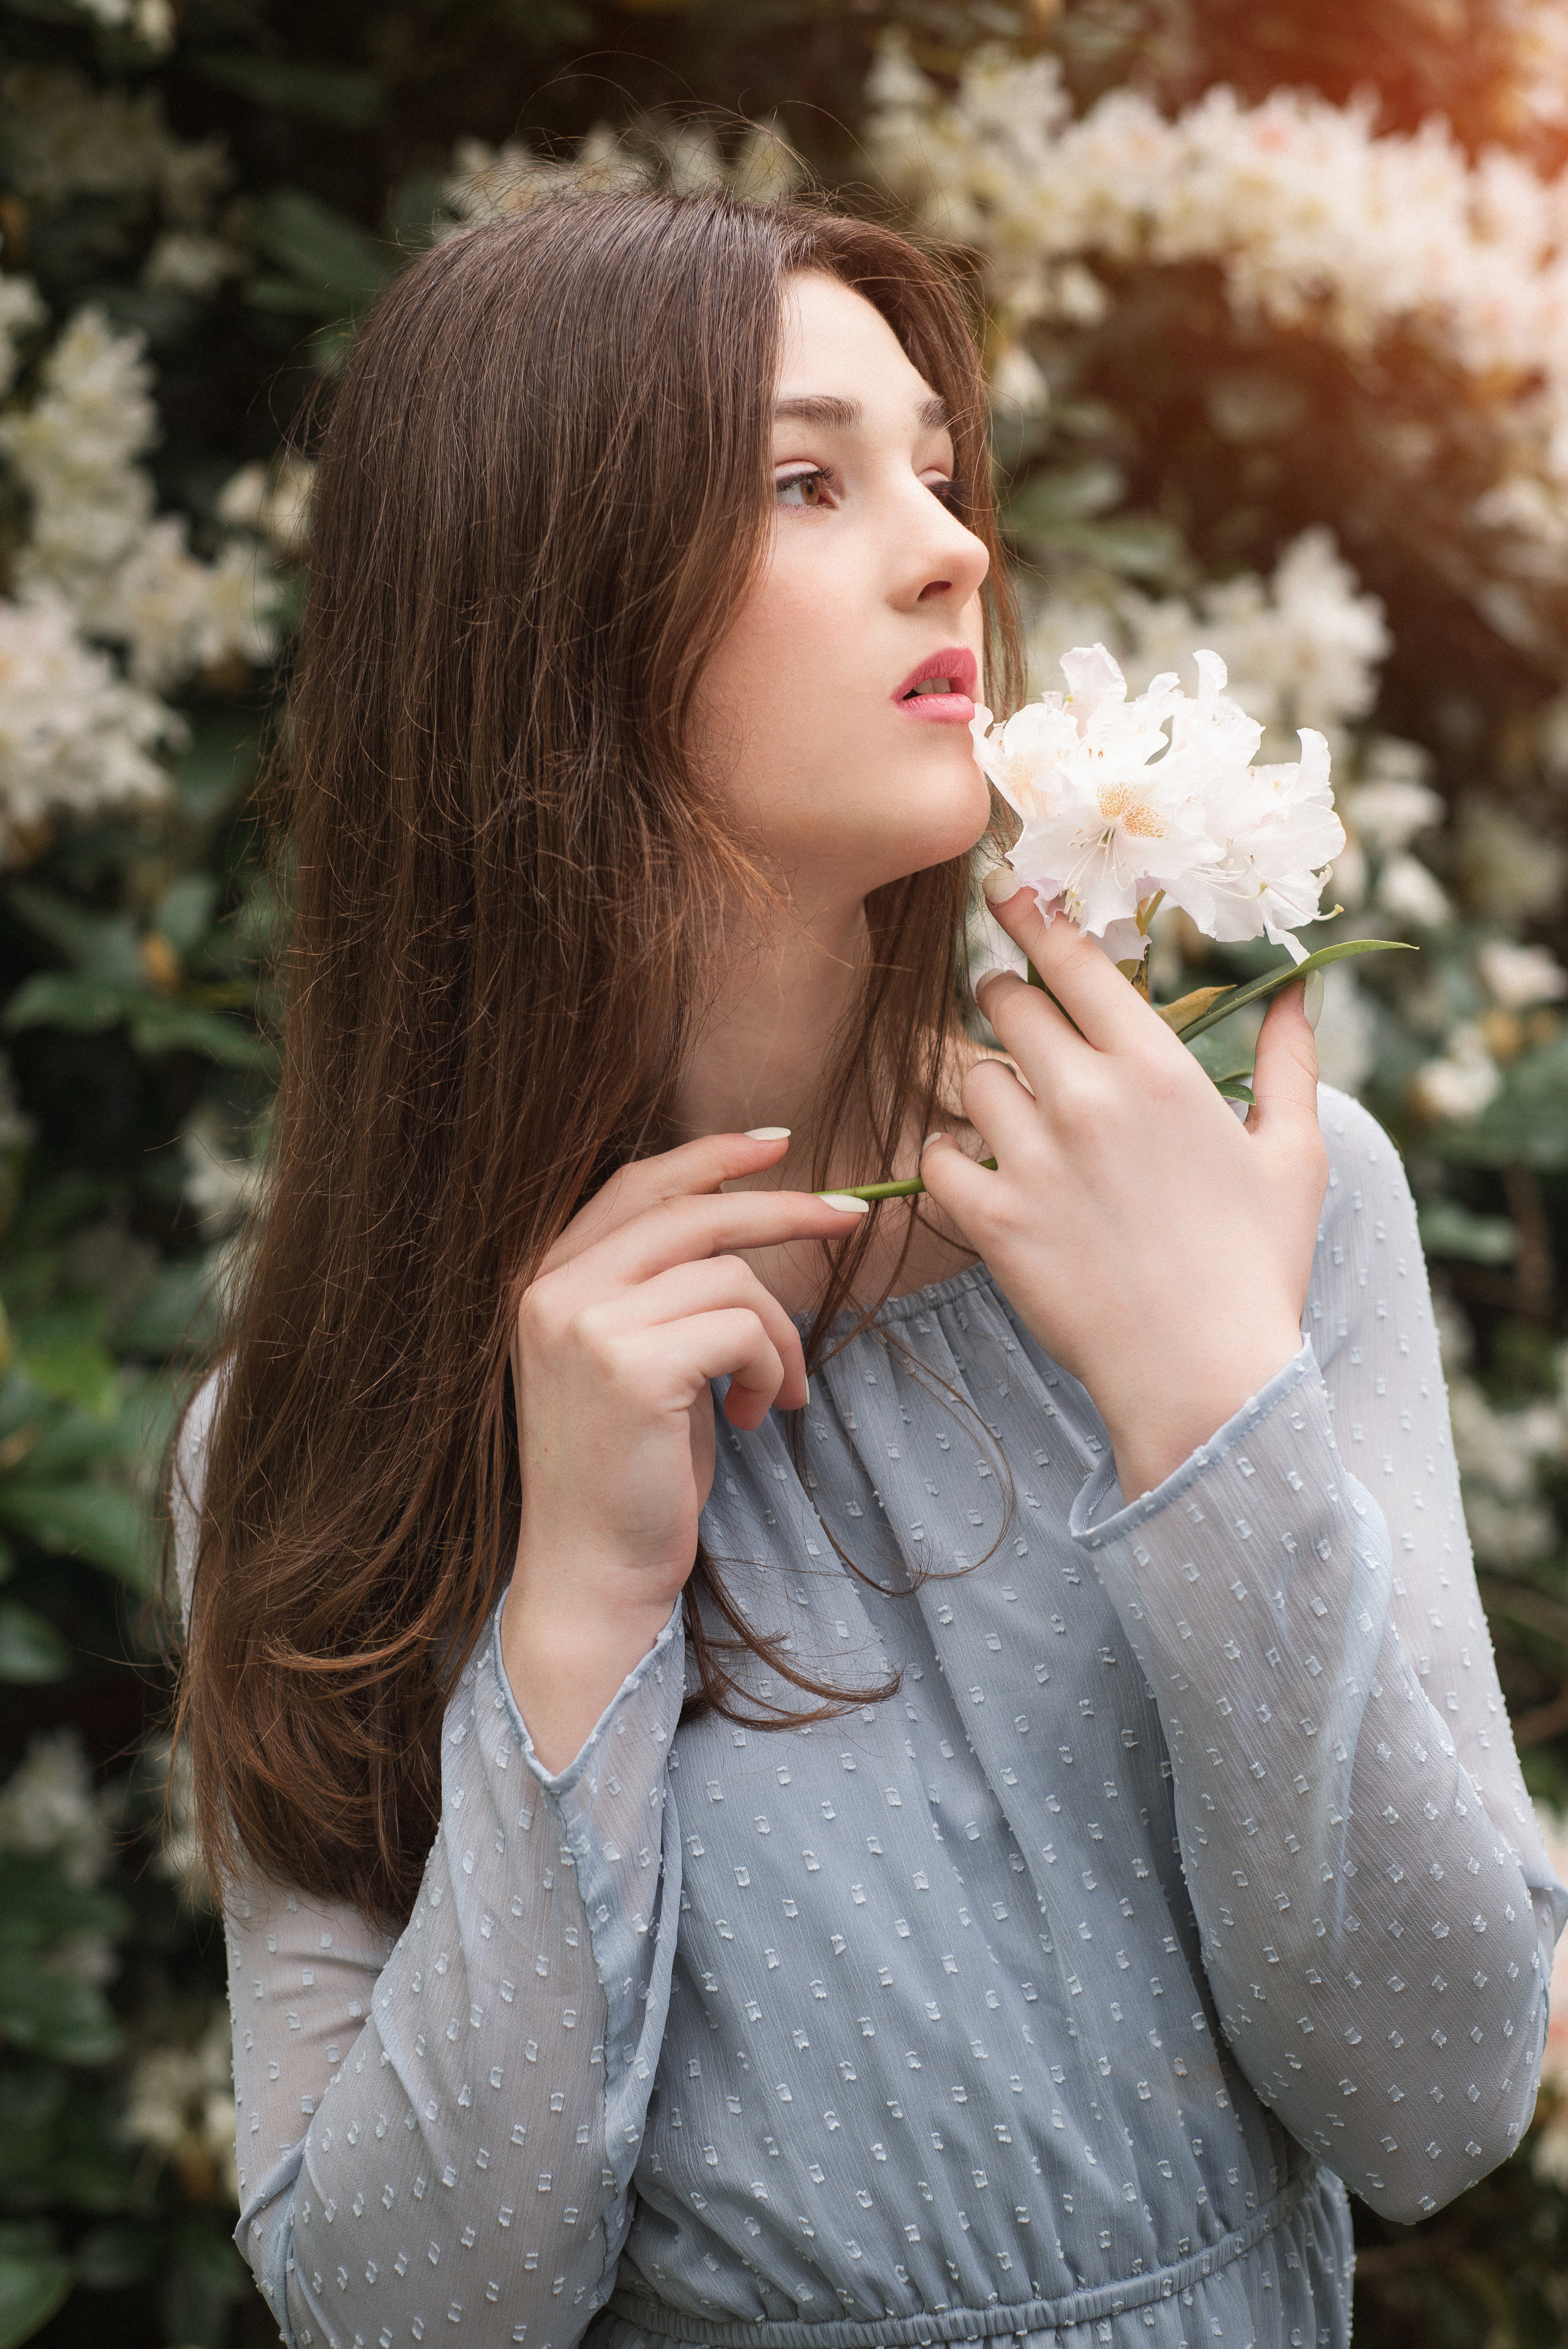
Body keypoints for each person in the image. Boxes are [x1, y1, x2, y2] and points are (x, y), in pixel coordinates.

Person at [172, 184, 1566, 2349]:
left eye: (936, 465)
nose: (954, 547)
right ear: (543, 616)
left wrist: (1213, 1406)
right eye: (812, 481)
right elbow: (405, 2314)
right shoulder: (315, 1436)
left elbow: (1438, 2096)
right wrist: (577, 1623)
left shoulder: (1270, 1211)